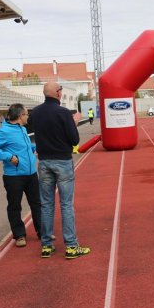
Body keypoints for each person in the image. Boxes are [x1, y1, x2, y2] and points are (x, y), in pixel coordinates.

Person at [29, 82, 90, 259]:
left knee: (46, 204)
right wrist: (74, 122)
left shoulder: (36, 113)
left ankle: (46, 245)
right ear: (57, 93)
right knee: (66, 204)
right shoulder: (63, 113)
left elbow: (35, 132)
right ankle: (71, 246)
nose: (62, 93)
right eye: (61, 90)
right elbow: (74, 140)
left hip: (44, 162)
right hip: (62, 161)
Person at [0, 104, 41, 247]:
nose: (27, 116)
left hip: (31, 174)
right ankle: (19, 235)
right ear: (19, 116)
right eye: (26, 114)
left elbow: (26, 146)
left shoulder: (23, 129)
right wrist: (8, 156)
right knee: (15, 206)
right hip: (13, 176)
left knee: (37, 204)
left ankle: (42, 232)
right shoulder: (4, 131)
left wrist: (35, 148)